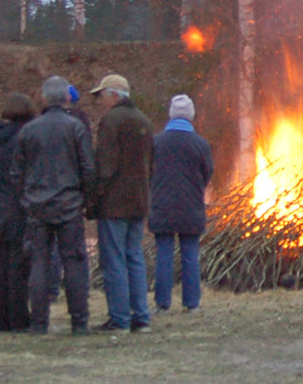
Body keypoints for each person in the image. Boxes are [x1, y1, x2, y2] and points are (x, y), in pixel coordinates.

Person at [16, 76, 95, 335]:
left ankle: (39, 322)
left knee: (39, 263)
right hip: (70, 205)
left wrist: (26, 198)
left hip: (37, 206)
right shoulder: (75, 128)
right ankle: (79, 322)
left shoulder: (29, 129)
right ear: (67, 98)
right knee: (74, 262)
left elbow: (17, 171)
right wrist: (86, 199)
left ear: (43, 97)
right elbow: (87, 168)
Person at [92, 73, 154, 333]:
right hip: (139, 200)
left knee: (114, 260)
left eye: (101, 96)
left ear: (115, 95)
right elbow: (150, 162)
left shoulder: (111, 121)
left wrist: (96, 196)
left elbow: (105, 165)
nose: (99, 102)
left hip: (115, 203)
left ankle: (119, 318)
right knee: (134, 257)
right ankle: (141, 316)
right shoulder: (144, 121)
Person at [150, 95, 214, 310]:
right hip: (191, 207)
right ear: (191, 116)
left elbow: (148, 171)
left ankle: (162, 303)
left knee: (164, 256)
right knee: (190, 255)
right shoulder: (200, 144)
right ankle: (192, 303)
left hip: (162, 205)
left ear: (170, 114)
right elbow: (208, 173)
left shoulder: (156, 142)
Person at [0, 94, 36, 333]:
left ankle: (2, 320)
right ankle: (19, 320)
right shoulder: (23, 140)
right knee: (18, 268)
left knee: (0, 268)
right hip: (17, 208)